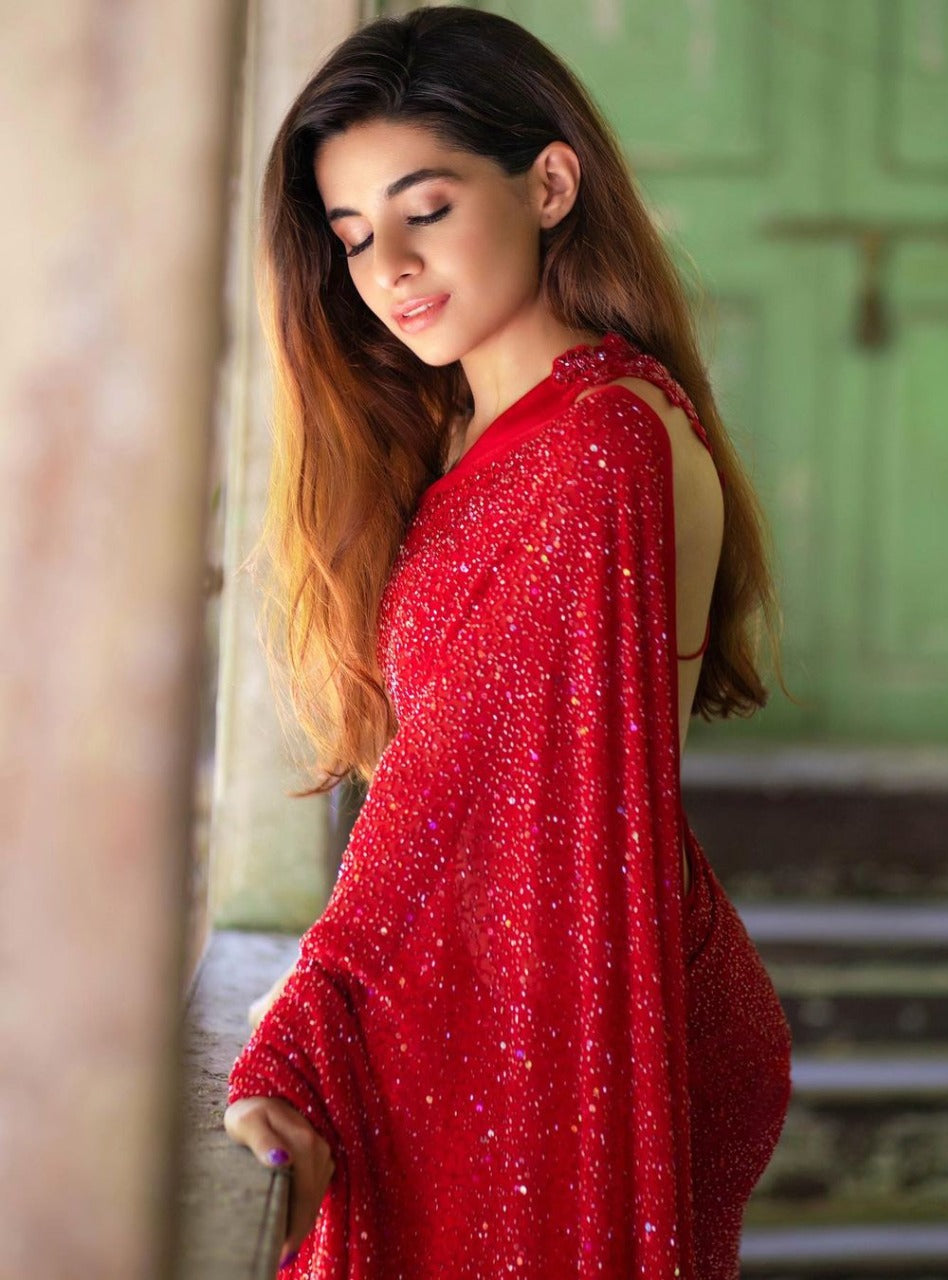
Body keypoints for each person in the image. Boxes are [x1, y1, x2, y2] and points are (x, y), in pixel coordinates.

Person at [222, 7, 794, 1277]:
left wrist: (319, 1011)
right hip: (527, 978)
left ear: (547, 182)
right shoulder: (470, 434)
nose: (388, 268)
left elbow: (452, 773)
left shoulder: (599, 444)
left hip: (607, 997)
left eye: (425, 208)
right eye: (355, 235)